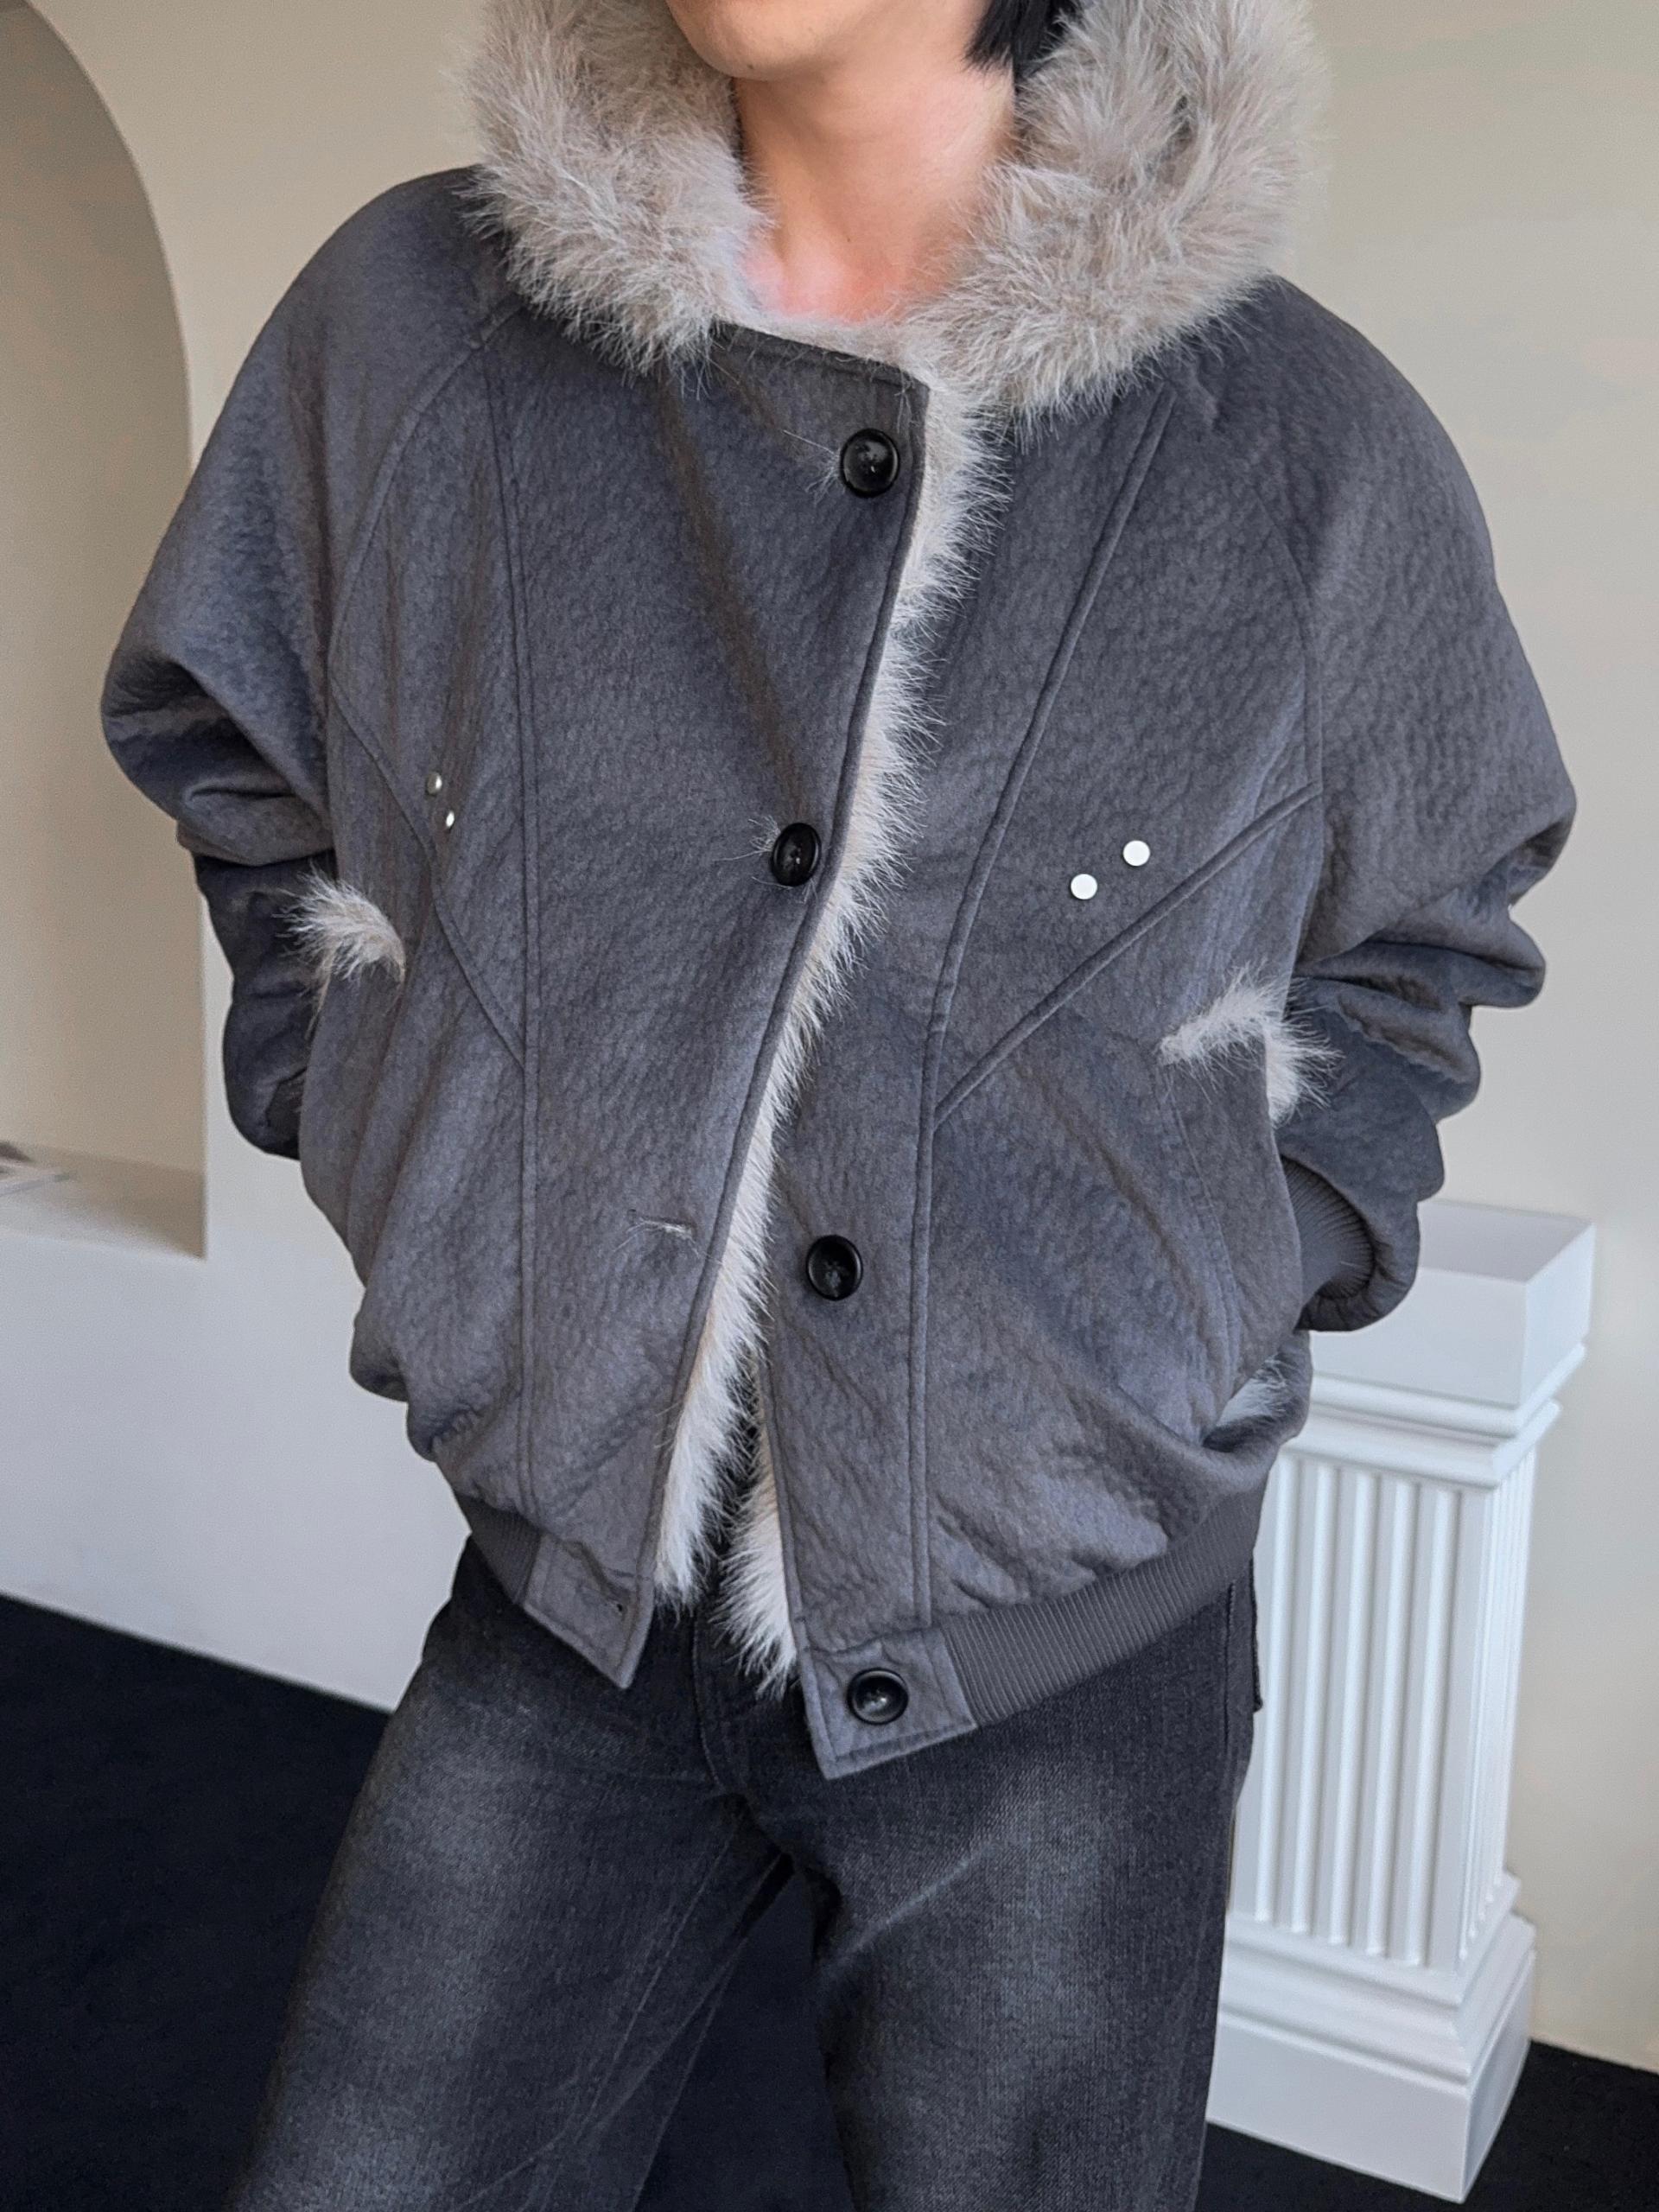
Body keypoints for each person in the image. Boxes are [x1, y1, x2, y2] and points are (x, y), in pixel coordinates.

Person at [101, 1, 1575, 2205]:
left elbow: (1425, 937)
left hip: (1063, 1626)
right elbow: (236, 744)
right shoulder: (414, 334)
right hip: (571, 1588)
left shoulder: (1301, 447)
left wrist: (1198, 1287)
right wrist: (388, 1116)